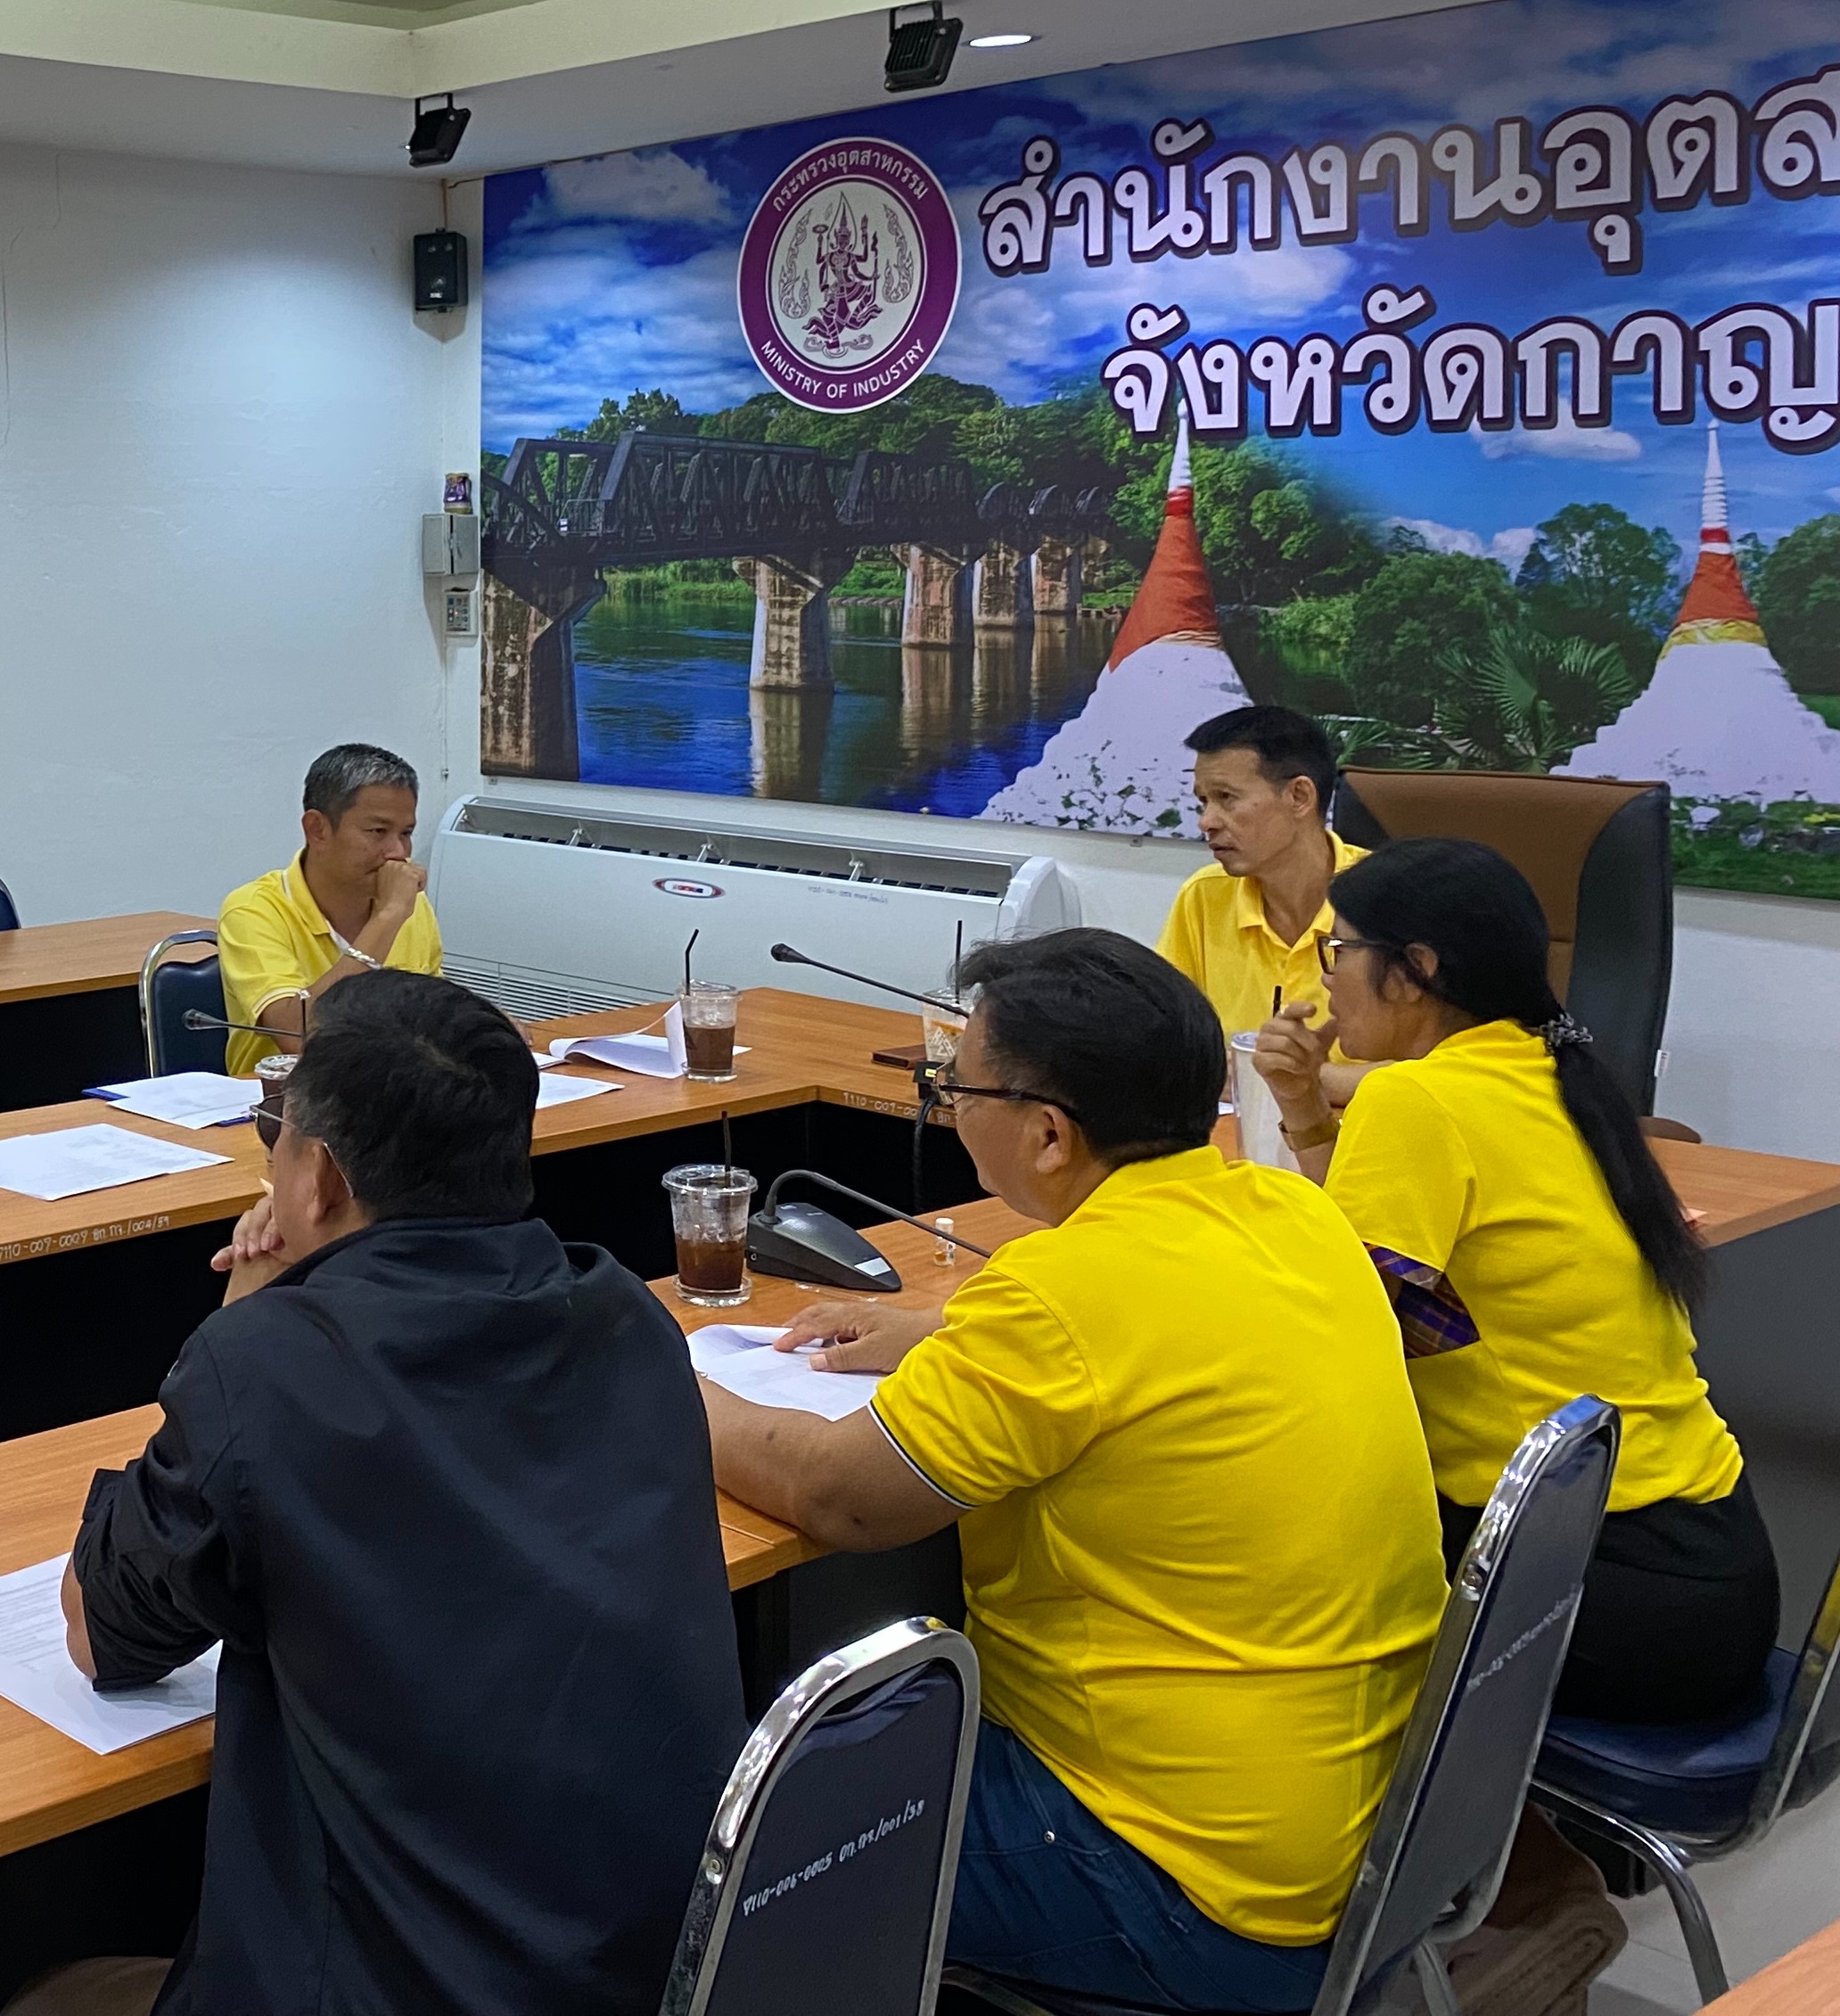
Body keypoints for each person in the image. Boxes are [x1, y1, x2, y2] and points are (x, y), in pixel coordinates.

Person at [705, 929, 1442, 2015]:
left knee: (721, 1835)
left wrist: (674, 1386)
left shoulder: (1060, 1294)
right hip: (1368, 1834)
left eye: (955, 1089)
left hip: (1181, 1882)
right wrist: (942, 1327)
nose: (946, 1107)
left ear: (1048, 1133)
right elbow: (1160, 1327)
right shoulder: (1293, 1212)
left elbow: (839, 1496)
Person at [29, 970, 745, 2016]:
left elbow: (101, 1635)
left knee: (52, 1993)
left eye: (275, 1136)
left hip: (396, 1987)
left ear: (318, 1176)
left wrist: (241, 1319)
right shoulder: (629, 1319)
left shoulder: (268, 1370)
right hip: (645, 1974)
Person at [1260, 834, 1778, 1723]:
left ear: (1416, 970)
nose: (1327, 978)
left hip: (1596, 1581)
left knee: (1266, 1569)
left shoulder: (1416, 1101)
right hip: (1708, 1566)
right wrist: (1306, 1108)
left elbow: (1338, 1332)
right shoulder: (1551, 1072)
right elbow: (1382, 1269)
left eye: (1339, 950)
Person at [1159, 704, 1368, 1107]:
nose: (1207, 821)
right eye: (1203, 801)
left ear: (1299, 796)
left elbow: (1441, 1071)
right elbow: (1163, 1043)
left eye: (1226, 798)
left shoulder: (1392, 900)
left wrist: (1296, 1082)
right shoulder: (1204, 897)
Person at [209, 742, 443, 1075]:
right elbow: (297, 1035)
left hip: (388, 1090)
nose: (398, 852)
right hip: (290, 1099)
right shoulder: (253, 910)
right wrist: (387, 918)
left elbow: (432, 1012)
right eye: (378, 831)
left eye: (406, 833)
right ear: (316, 830)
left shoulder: (411, 906)